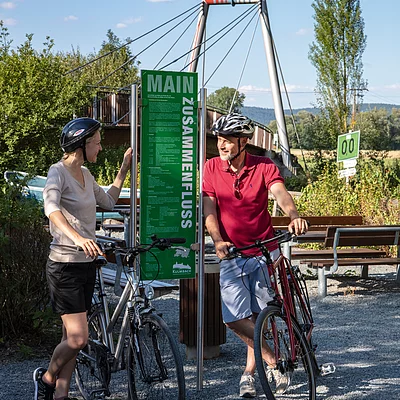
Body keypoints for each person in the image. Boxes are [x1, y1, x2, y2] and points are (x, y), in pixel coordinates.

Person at [203, 113, 308, 398]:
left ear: (243, 142)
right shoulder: (211, 167)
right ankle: (274, 362)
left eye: (226, 140)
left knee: (261, 315)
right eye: (219, 140)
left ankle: (249, 373)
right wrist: (217, 239)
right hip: (232, 253)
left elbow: (280, 193)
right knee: (234, 318)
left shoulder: (262, 166)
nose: (221, 145)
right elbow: (209, 210)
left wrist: (293, 215)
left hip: (263, 251)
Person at [33, 117, 132, 400]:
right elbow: (51, 208)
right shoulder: (58, 172)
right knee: (79, 338)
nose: (100, 147)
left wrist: (123, 169)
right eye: (98, 142)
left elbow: (109, 201)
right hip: (64, 266)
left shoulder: (86, 176)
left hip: (86, 265)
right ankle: (48, 378)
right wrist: (77, 237)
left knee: (70, 339)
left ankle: (61, 395)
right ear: (82, 144)